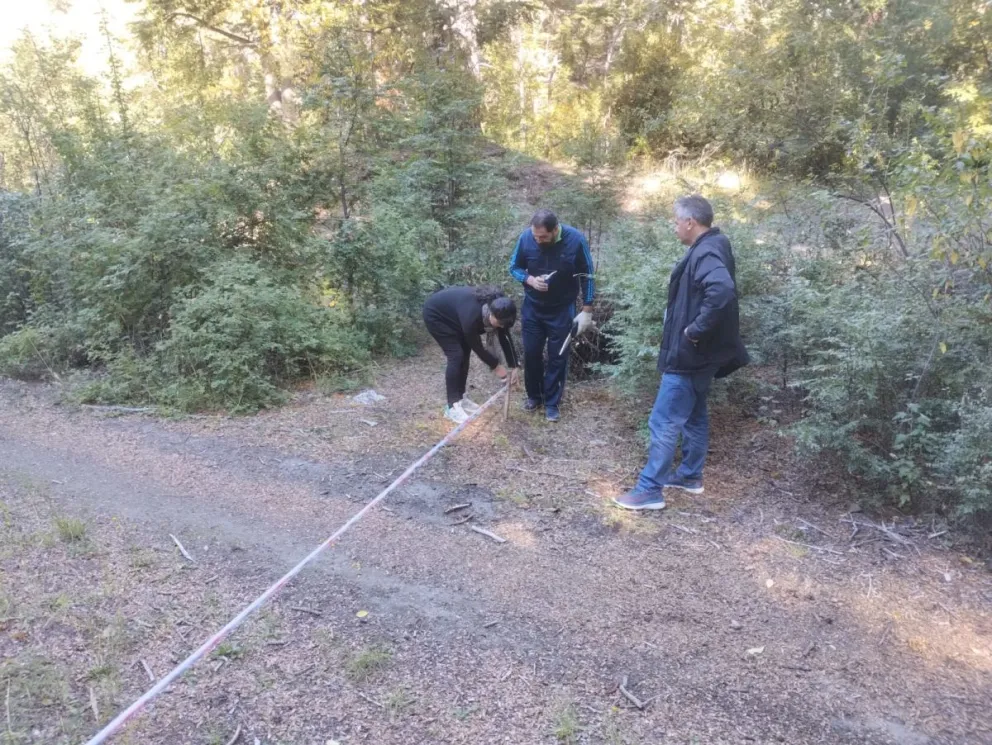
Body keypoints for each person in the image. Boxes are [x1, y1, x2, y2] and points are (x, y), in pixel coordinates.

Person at [614, 195, 749, 511]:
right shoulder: (714, 245)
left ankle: (650, 490)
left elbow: (722, 291)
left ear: (691, 222)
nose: (674, 226)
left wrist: (694, 330)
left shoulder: (706, 252)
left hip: (691, 356)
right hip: (702, 356)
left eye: (676, 221)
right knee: (695, 414)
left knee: (663, 421)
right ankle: (690, 476)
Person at [508, 209, 595, 422]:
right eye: (535, 236)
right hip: (533, 308)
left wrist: (587, 309)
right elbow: (514, 267)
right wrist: (528, 279)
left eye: (543, 237)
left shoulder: (575, 240)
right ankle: (534, 396)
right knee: (531, 353)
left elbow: (588, 274)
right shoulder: (526, 238)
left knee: (558, 357)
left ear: (555, 230)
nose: (538, 240)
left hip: (562, 309)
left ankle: (552, 403)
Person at [422, 285, 520, 424]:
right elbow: (477, 347)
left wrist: (514, 365)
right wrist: (497, 367)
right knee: (456, 355)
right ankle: (451, 407)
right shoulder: (472, 316)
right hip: (436, 316)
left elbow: (504, 336)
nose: (500, 327)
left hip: (456, 316)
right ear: (491, 314)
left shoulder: (501, 309)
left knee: (465, 353)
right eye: (498, 323)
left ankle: (461, 398)